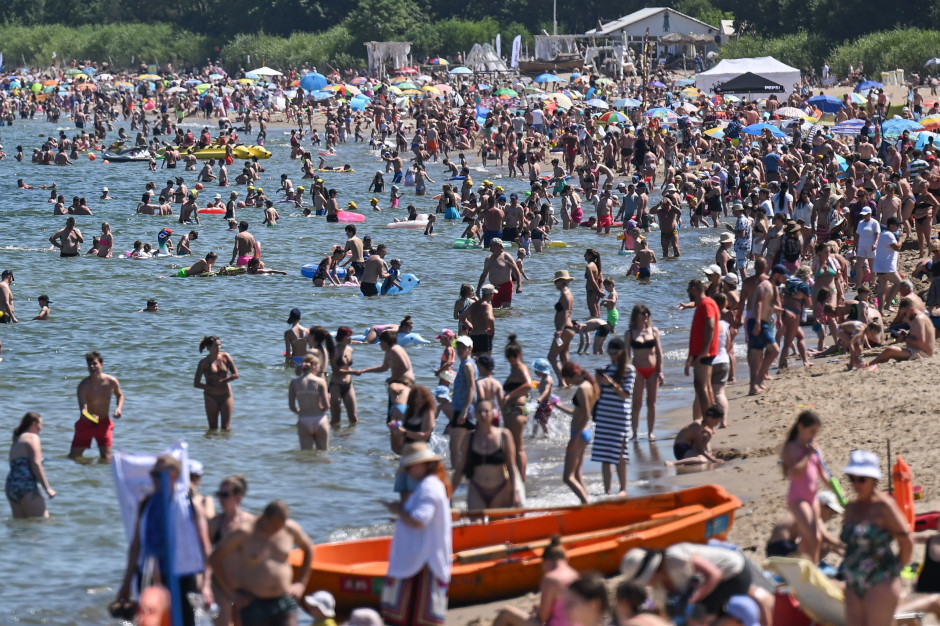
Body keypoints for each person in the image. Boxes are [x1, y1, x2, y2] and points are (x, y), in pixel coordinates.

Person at [117, 455, 213, 626]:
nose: (152, 478)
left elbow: (205, 546)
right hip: (150, 574)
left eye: (157, 474)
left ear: (173, 475)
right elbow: (136, 545)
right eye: (152, 474)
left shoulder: (191, 504)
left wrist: (206, 584)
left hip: (182, 574)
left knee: (184, 622)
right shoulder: (146, 503)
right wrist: (126, 583)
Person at [209, 500, 315, 626]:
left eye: (280, 526)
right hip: (254, 602)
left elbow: (309, 549)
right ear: (264, 517)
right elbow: (215, 558)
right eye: (274, 526)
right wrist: (231, 593)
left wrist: (302, 582)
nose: (277, 530)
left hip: (283, 598)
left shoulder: (289, 529)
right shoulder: (245, 532)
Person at [381, 443, 452, 626]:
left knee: (413, 618)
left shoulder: (429, 488)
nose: (409, 470)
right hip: (421, 559)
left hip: (422, 564)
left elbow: (420, 520)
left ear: (425, 465)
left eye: (412, 465)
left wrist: (398, 510)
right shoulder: (429, 486)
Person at [841, 450, 913, 626]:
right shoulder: (851, 508)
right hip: (853, 583)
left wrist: (894, 571)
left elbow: (906, 542)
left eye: (862, 479)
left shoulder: (884, 507)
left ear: (873, 479)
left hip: (880, 581)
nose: (856, 484)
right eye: (852, 478)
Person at [620, 543, 772, 624]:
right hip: (706, 587)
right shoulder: (657, 585)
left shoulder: (675, 557)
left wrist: (694, 600)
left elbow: (714, 574)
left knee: (703, 614)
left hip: (734, 574)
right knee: (687, 615)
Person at [781, 410, 836, 563]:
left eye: (816, 432)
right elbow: (794, 471)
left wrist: (836, 490)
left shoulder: (815, 449)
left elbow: (823, 475)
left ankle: (802, 571)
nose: (813, 436)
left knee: (807, 540)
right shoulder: (791, 448)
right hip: (798, 499)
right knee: (815, 537)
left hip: (812, 498)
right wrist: (807, 454)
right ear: (800, 428)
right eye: (811, 431)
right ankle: (811, 572)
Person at [492, 536, 579, 626]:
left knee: (506, 613)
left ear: (546, 562)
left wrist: (538, 610)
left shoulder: (551, 579)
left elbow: (542, 618)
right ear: (565, 559)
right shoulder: (575, 575)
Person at [452, 399, 519, 509]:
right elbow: (460, 468)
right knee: (476, 524)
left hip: (500, 489)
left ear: (493, 413)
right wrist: (449, 493)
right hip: (476, 489)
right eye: (479, 411)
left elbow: (511, 466)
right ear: (475, 414)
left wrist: (515, 492)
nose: (483, 414)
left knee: (496, 525)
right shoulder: (469, 438)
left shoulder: (504, 435)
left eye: (486, 411)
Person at [207, 475, 255, 626]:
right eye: (219, 495)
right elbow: (206, 556)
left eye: (225, 495)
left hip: (245, 587)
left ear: (238, 496)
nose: (221, 499)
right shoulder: (216, 523)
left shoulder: (251, 522)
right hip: (221, 586)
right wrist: (204, 584)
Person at [590, 337, 636, 496]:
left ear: (622, 352)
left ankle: (623, 489)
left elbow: (625, 394)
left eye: (615, 353)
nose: (612, 356)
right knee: (605, 455)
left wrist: (610, 383)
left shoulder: (629, 370)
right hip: (604, 415)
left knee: (620, 454)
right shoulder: (606, 369)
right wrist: (597, 383)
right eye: (610, 353)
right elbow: (597, 395)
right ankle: (607, 490)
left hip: (619, 416)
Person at [71, 351, 124, 462]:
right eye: (89, 364)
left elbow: (120, 395)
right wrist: (91, 418)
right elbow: (83, 411)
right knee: (74, 457)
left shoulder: (111, 382)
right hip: (86, 423)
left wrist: (118, 408)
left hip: (104, 424)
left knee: (106, 458)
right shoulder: (83, 386)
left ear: (101, 365)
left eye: (94, 364)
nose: (92, 366)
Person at [556, 362, 597, 504]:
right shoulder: (589, 385)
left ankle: (586, 504)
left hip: (579, 434)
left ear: (571, 375)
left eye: (566, 379)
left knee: (567, 477)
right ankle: (587, 503)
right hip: (585, 432)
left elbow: (586, 415)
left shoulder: (583, 388)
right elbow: (577, 413)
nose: (566, 382)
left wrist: (573, 439)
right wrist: (559, 406)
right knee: (577, 474)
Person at [766, 490, 844, 558]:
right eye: (831, 513)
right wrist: (847, 548)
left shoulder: (802, 509)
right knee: (825, 546)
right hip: (781, 549)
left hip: (772, 548)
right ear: (821, 505)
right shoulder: (811, 513)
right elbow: (827, 539)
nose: (830, 517)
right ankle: (811, 570)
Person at [747, 264, 787, 395]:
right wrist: (758, 322)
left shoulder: (772, 287)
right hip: (757, 322)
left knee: (757, 356)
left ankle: (755, 385)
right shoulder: (765, 286)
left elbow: (769, 307)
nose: (783, 280)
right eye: (782, 277)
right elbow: (758, 302)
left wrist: (782, 312)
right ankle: (758, 380)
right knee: (773, 350)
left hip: (761, 322)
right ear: (776, 275)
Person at [6, 412, 55, 518]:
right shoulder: (32, 437)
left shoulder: (17, 440)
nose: (41, 428)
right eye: (40, 424)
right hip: (26, 485)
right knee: (44, 522)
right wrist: (47, 488)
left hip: (11, 486)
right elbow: (36, 463)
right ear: (33, 424)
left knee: (21, 527)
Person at [626, 304, 664, 440]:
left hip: (653, 371)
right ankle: (635, 433)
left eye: (647, 312)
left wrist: (661, 371)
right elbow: (626, 356)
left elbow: (659, 353)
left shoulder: (654, 331)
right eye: (643, 313)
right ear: (636, 315)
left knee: (651, 403)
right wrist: (625, 373)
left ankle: (650, 433)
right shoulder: (630, 333)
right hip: (637, 371)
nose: (646, 315)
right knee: (637, 404)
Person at [684, 279, 719, 418]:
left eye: (689, 291)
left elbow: (710, 326)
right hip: (701, 352)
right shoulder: (704, 304)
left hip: (704, 353)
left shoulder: (706, 304)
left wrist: (704, 352)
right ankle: (710, 418)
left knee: (702, 388)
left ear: (694, 290)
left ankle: (708, 420)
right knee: (705, 387)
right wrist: (691, 356)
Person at [867, 297, 936, 364]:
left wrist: (904, 338)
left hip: (922, 353)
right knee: (889, 352)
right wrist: (906, 334)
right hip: (920, 351)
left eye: (904, 313)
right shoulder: (918, 317)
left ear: (911, 309)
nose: (905, 316)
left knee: (890, 350)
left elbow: (920, 342)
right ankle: (874, 364)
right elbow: (918, 337)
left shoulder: (918, 319)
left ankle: (868, 365)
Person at [501, 334, 532, 481]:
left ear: (519, 355)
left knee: (518, 447)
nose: (511, 359)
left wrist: (508, 396)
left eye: (513, 355)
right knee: (510, 447)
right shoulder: (513, 369)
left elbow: (528, 384)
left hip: (517, 410)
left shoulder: (521, 368)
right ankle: (514, 477)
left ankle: (522, 478)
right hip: (511, 411)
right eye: (508, 355)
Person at [194, 336, 239, 431]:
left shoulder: (225, 357)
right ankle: (212, 445)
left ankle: (225, 444)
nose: (219, 348)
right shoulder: (204, 363)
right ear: (209, 347)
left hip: (226, 395)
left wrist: (225, 381)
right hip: (211, 397)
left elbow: (236, 374)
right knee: (213, 429)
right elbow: (196, 383)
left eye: (219, 345)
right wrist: (211, 388)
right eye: (216, 346)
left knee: (225, 428)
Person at [289, 354, 331, 451]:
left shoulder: (294, 382)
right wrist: (321, 410)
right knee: (323, 455)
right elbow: (326, 405)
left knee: (306, 456)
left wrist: (301, 412)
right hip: (320, 420)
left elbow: (292, 406)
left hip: (304, 420)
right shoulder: (320, 381)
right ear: (314, 365)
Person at [447, 336, 476, 468]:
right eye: (458, 347)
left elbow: (472, 388)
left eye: (463, 347)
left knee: (454, 447)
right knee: (463, 447)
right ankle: (466, 472)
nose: (459, 350)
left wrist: (464, 411)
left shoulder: (468, 365)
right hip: (462, 409)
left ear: (470, 349)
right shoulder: (464, 364)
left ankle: (455, 475)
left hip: (464, 410)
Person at [548, 270, 577, 382]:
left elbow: (566, 313)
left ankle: (562, 382)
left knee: (551, 357)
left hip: (565, 329)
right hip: (568, 329)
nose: (555, 285)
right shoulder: (567, 293)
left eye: (556, 282)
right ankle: (571, 381)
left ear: (561, 282)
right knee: (564, 358)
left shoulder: (565, 295)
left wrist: (560, 330)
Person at [476, 238, 522, 308]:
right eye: (490, 244)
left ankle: (509, 318)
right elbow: (484, 275)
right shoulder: (488, 259)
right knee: (496, 309)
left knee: (506, 307)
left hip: (506, 286)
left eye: (492, 245)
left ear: (499, 246)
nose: (490, 246)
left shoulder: (506, 256)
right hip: (493, 288)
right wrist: (478, 289)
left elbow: (516, 270)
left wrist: (519, 285)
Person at [329, 326, 359, 425]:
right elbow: (336, 371)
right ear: (341, 337)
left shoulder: (350, 350)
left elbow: (346, 367)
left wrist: (354, 371)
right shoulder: (334, 351)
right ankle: (336, 438)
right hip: (335, 386)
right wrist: (353, 372)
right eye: (348, 336)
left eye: (350, 336)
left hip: (348, 385)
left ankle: (351, 438)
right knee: (336, 420)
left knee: (354, 418)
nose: (350, 338)